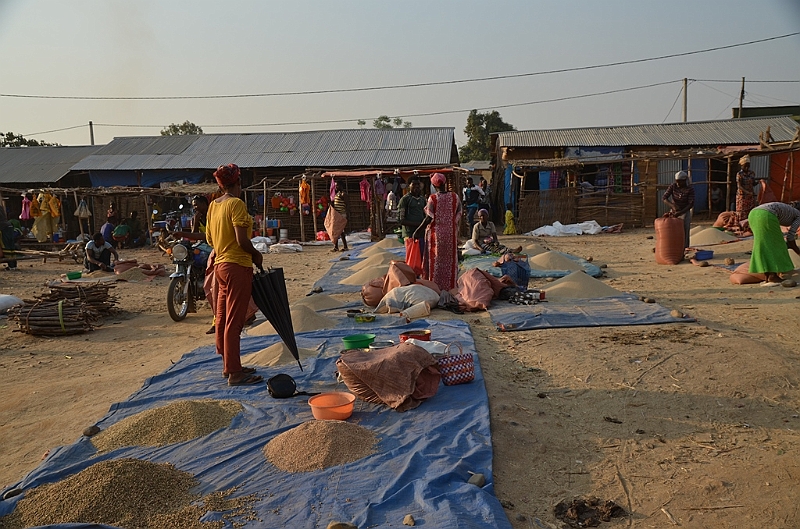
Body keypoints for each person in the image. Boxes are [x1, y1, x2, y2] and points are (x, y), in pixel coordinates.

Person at [206, 163, 263, 386]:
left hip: (220, 266)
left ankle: (229, 365)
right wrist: (256, 255)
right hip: (237, 266)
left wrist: (223, 244)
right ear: (238, 182)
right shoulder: (236, 204)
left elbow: (210, 240)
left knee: (221, 318)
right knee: (235, 321)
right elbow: (241, 240)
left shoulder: (213, 206)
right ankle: (235, 373)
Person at [413, 172, 462, 291]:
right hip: (450, 234)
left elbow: (429, 217)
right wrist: (451, 223)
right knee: (450, 260)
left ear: (434, 186)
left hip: (436, 235)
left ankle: (435, 287)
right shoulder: (455, 197)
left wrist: (418, 230)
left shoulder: (433, 198)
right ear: (445, 183)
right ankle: (450, 287)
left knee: (436, 261)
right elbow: (459, 213)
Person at [748, 201, 800, 285]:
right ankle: (773, 276)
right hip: (766, 215)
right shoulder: (798, 215)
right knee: (776, 244)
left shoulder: (788, 210)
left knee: (763, 244)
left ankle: (767, 275)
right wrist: (798, 252)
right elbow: (790, 238)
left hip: (753, 214)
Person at [662, 170, 695, 250]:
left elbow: (691, 204)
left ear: (684, 181)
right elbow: (664, 198)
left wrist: (681, 212)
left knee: (684, 231)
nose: (678, 184)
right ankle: (673, 248)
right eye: (676, 181)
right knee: (672, 230)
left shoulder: (690, 189)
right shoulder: (673, 186)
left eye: (680, 182)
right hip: (674, 211)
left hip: (684, 211)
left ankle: (684, 249)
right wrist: (673, 206)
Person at [736, 155, 762, 223]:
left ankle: (749, 224)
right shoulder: (739, 174)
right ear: (742, 166)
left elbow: (753, 184)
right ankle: (741, 225)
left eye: (748, 166)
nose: (747, 167)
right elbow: (739, 186)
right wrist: (747, 192)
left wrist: (759, 182)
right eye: (745, 166)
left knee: (750, 211)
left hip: (750, 196)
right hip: (742, 196)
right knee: (742, 211)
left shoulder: (752, 173)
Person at [0, 201, 18, 270]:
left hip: (3, 228)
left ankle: (11, 266)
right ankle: (14, 265)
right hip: (8, 226)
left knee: (6, 247)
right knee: (11, 247)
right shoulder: (1, 207)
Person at [331, 183, 349, 252]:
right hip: (337, 214)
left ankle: (345, 246)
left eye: (337, 186)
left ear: (341, 186)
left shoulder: (343, 194)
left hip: (342, 214)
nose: (336, 187)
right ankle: (336, 247)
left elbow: (347, 205)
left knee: (341, 231)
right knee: (336, 231)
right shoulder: (336, 194)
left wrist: (347, 215)